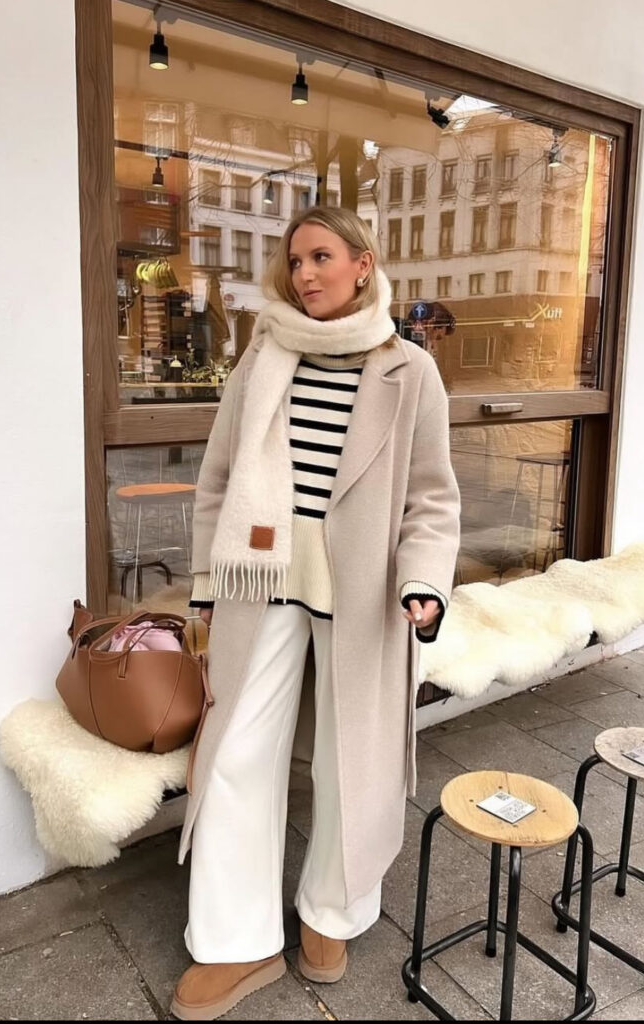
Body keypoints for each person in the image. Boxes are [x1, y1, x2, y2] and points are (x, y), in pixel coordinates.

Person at [171, 207, 461, 1020]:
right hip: (258, 578)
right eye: (295, 260)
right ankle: (238, 941)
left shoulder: (410, 372)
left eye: (321, 256)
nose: (304, 274)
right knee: (233, 754)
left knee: (349, 757)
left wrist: (427, 581)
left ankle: (332, 912)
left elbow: (433, 499)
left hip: (366, 592)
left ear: (363, 264)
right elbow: (219, 476)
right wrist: (202, 583)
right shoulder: (263, 358)